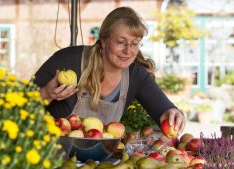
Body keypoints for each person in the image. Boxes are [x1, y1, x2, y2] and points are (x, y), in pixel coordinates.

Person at [34, 7, 185, 132]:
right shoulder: (68, 61)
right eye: (121, 42)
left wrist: (173, 114)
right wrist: (45, 94)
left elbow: (165, 111)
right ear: (104, 41)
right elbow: (19, 104)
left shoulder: (135, 75)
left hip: (98, 163)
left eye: (134, 43)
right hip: (50, 158)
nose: (128, 51)